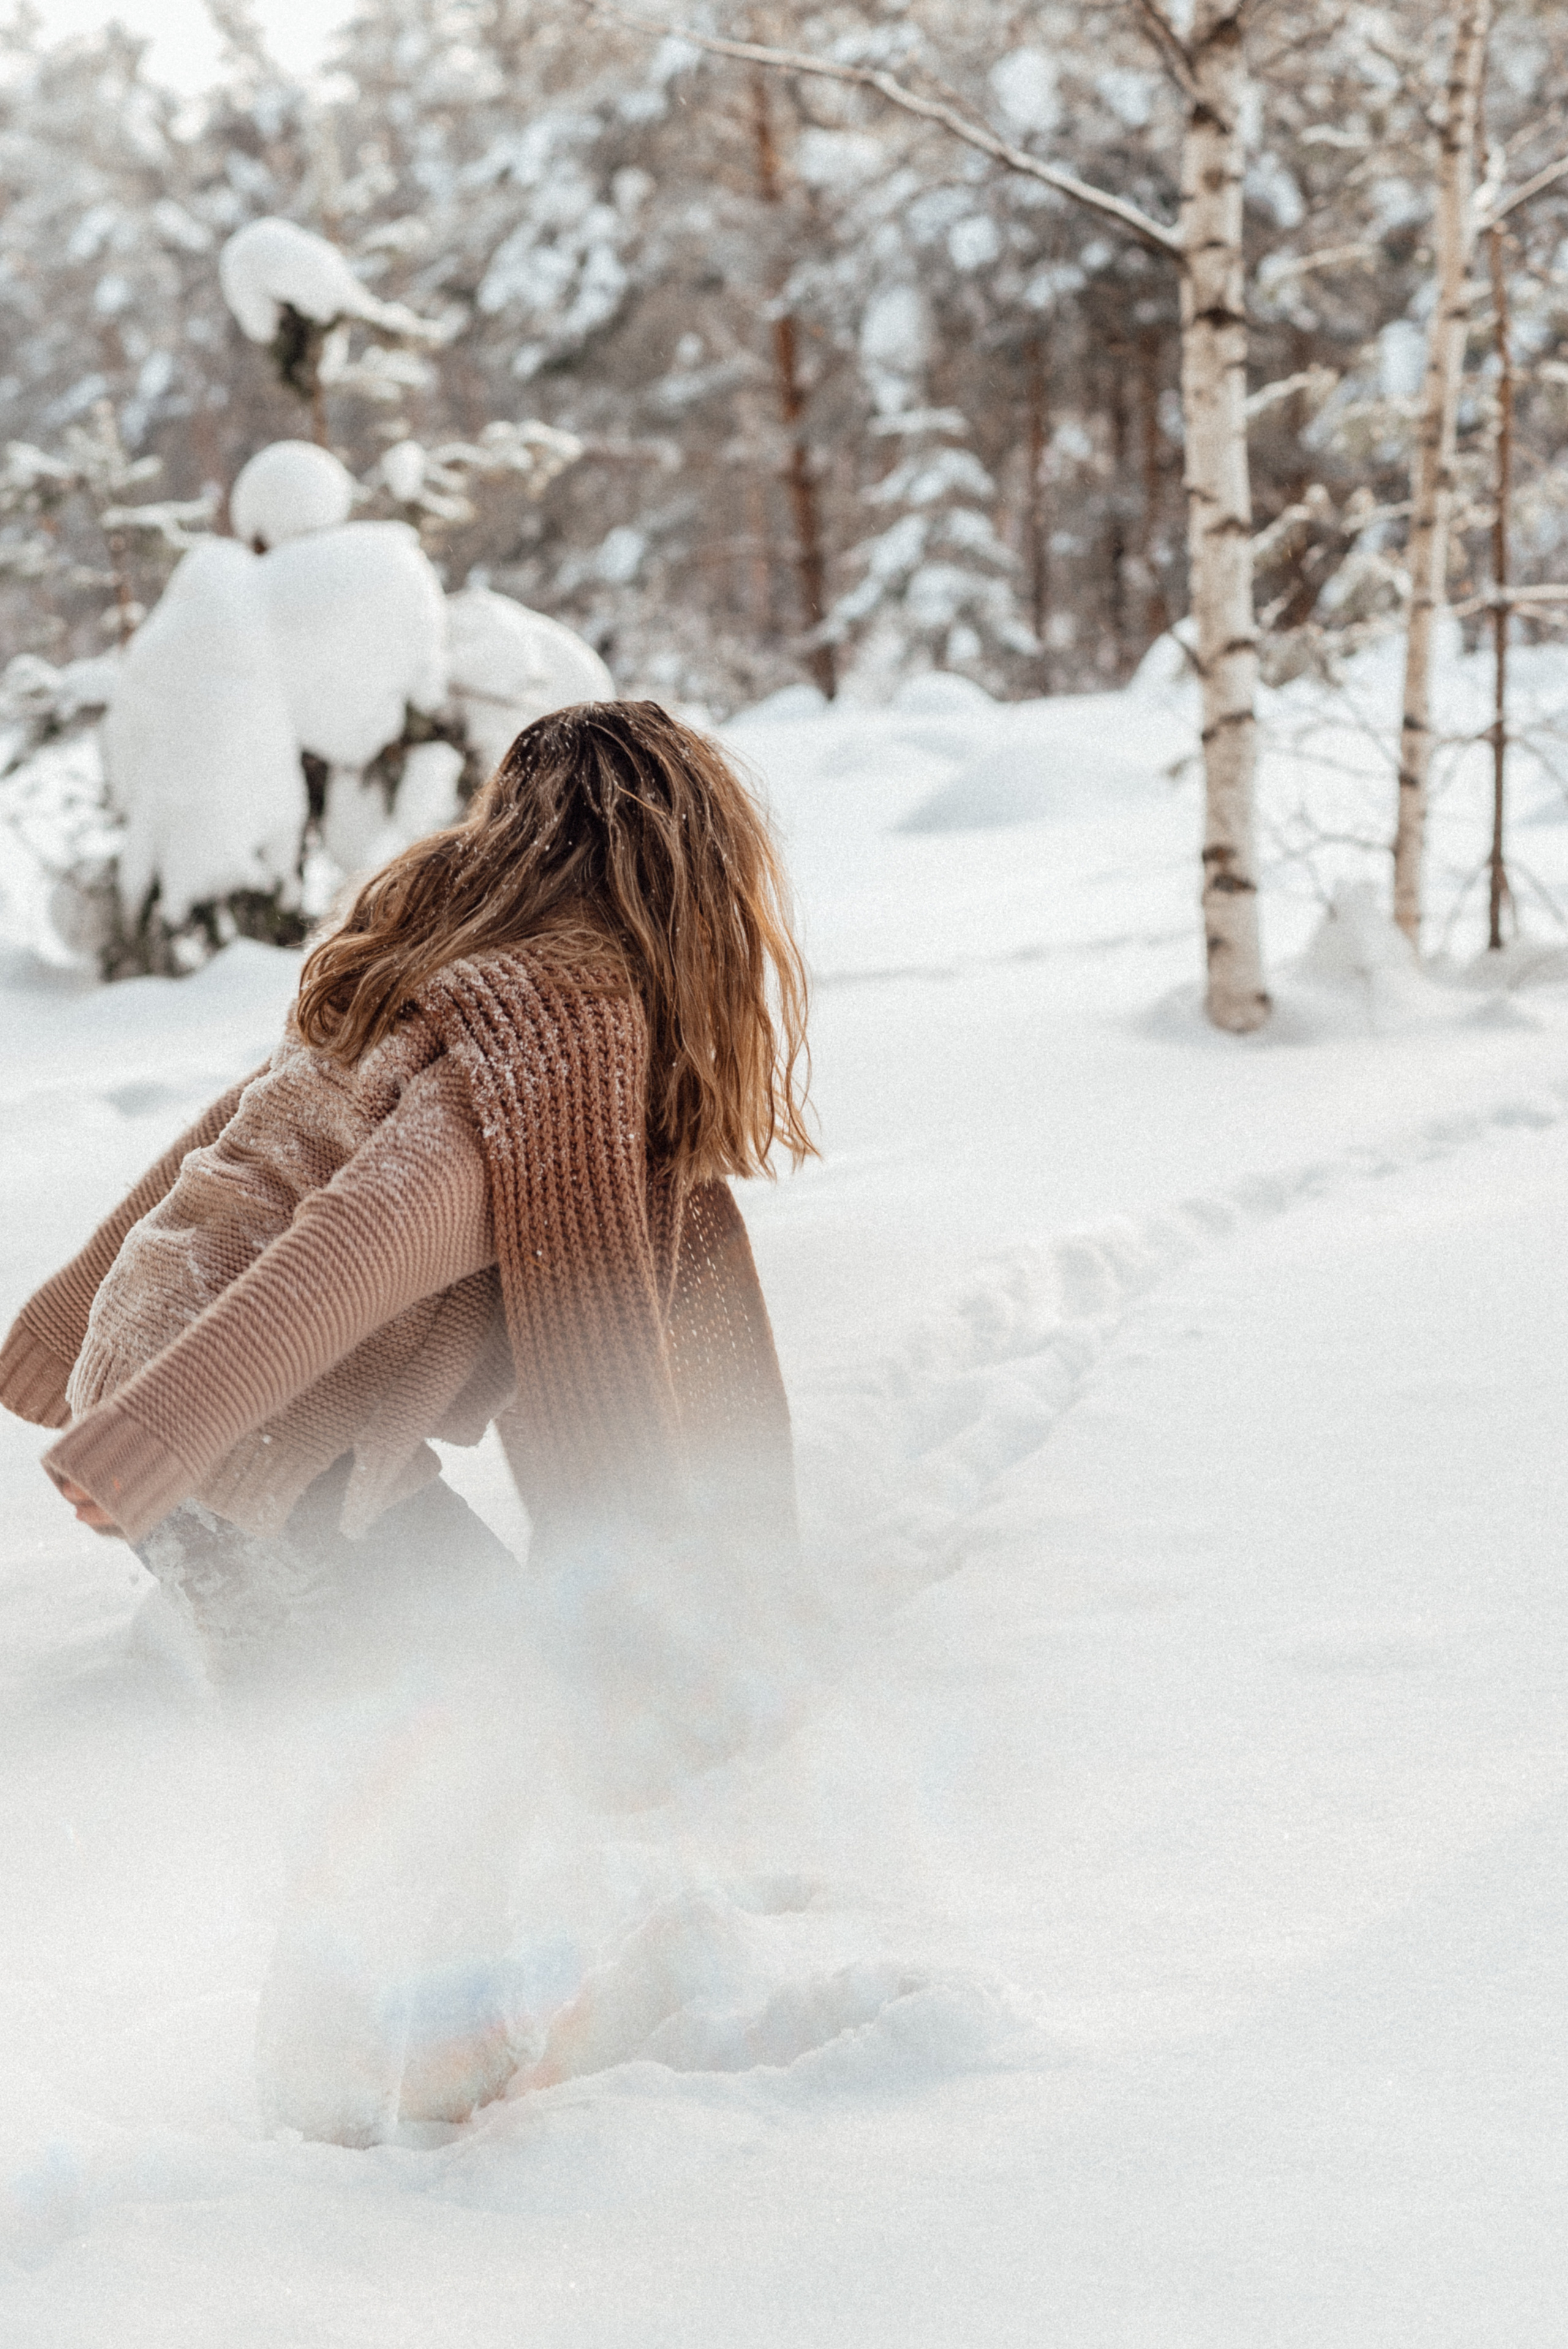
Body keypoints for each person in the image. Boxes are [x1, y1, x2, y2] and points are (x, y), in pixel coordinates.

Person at [0, 700, 813, 1673]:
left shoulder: (436, 965)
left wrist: (67, 1339)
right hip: (229, 1422)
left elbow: (235, 1132)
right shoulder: (541, 1043)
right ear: (694, 888)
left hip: (200, 1400)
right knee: (494, 1699)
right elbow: (363, 1234)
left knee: (442, 1653)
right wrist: (159, 1430)